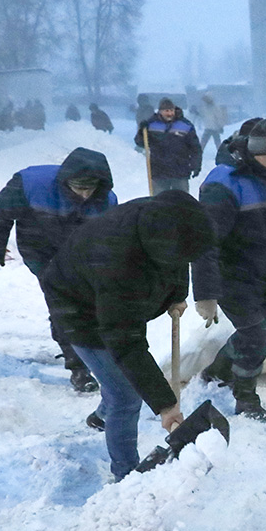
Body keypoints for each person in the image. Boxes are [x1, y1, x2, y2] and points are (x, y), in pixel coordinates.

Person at [40, 190, 215, 481]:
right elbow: (126, 341)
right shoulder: (116, 261)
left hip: (98, 285)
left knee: (117, 380)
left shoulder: (165, 217)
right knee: (125, 395)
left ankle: (102, 416)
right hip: (77, 308)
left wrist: (177, 294)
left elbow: (180, 258)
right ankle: (126, 476)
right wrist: (166, 405)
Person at [0, 147, 119, 394]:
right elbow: (0, 214)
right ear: (65, 180)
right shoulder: (31, 184)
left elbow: (112, 239)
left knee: (89, 304)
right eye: (79, 187)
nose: (85, 194)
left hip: (80, 255)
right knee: (63, 303)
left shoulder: (106, 201)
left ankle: (93, 354)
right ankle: (78, 367)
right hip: (40, 250)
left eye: (91, 188)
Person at [191, 119, 266, 421]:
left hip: (263, 275)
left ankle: (217, 371)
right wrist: (206, 294)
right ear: (252, 154)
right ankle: (246, 398)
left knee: (254, 332)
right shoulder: (225, 185)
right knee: (255, 337)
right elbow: (205, 243)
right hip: (231, 276)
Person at [135, 97, 202, 194]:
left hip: (180, 171)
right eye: (166, 111)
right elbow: (140, 142)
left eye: (171, 110)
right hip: (159, 172)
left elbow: (195, 148)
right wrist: (142, 131)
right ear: (160, 111)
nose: (170, 113)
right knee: (160, 202)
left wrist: (196, 165)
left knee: (181, 202)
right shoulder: (151, 124)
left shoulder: (186, 125)